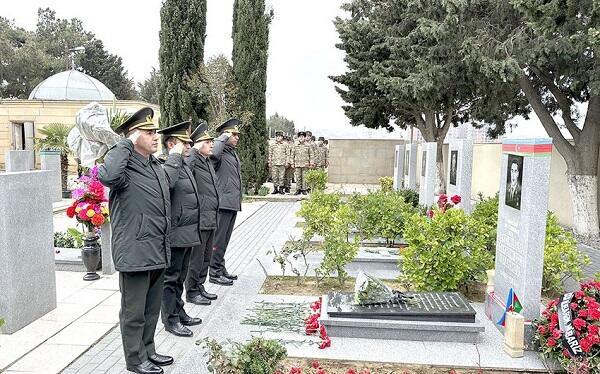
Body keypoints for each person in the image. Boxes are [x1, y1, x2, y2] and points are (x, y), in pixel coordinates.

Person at [98, 107, 173, 374]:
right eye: (148, 132)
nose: (156, 137)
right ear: (133, 136)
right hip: (135, 249)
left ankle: (148, 350)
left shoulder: (155, 165)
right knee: (133, 312)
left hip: (157, 247)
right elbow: (106, 176)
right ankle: (134, 359)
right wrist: (125, 143)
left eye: (155, 132)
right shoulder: (123, 165)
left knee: (151, 309)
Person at [157, 121, 202, 338]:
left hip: (186, 232)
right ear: (172, 144)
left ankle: (179, 311)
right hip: (175, 233)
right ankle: (170, 320)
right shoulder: (168, 164)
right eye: (184, 143)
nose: (189, 146)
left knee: (180, 276)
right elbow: (168, 185)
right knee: (171, 279)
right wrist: (174, 156)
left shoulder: (182, 164)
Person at [186, 122, 220, 304]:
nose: (212, 144)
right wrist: (193, 149)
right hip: (199, 219)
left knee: (206, 257)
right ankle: (191, 292)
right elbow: (186, 167)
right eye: (207, 142)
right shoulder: (193, 160)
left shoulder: (206, 162)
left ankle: (200, 286)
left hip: (210, 217)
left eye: (212, 141)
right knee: (196, 259)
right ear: (198, 145)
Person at [209, 118, 242, 286]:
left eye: (237, 134)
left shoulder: (231, 152)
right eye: (233, 134)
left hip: (231, 202)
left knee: (225, 239)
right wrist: (223, 137)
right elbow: (213, 153)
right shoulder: (219, 151)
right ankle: (214, 272)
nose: (237, 137)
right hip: (223, 202)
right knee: (218, 239)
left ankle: (220, 268)